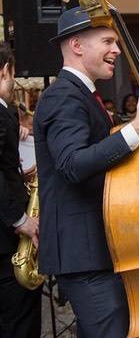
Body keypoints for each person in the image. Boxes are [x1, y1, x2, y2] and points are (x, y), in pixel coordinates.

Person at [34, 7, 139, 337]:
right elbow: (73, 164)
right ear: (78, 45)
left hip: (97, 249)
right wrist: (137, 129)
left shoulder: (82, 94)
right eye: (108, 41)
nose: (117, 50)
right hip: (82, 255)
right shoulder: (62, 96)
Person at [0, 43, 41, 338]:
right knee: (19, 322)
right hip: (5, 241)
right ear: (5, 71)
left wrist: (17, 175)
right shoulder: (2, 113)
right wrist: (21, 219)